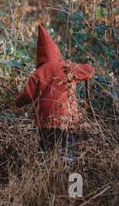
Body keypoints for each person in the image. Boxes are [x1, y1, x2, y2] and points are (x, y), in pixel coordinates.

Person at [15, 24, 95, 162]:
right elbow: (89, 71)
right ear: (56, 51)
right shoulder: (67, 68)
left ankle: (46, 169)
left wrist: (17, 103)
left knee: (46, 148)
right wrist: (82, 66)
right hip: (66, 118)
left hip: (45, 120)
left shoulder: (38, 73)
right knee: (67, 148)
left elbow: (27, 95)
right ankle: (67, 169)